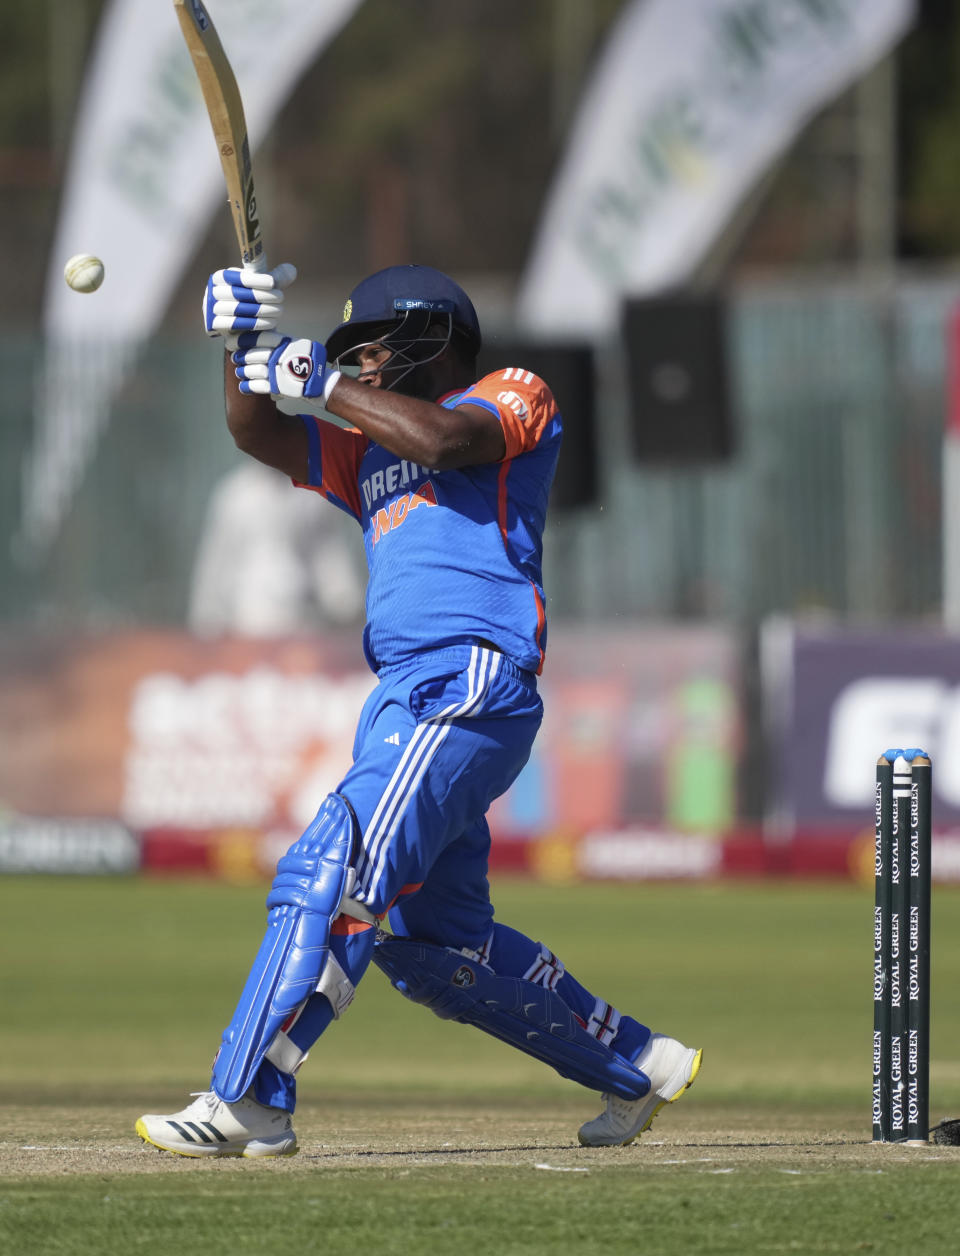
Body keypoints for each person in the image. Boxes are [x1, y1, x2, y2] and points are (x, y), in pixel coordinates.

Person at [135, 261, 701, 1158]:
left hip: (468, 680)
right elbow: (258, 431)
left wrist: (320, 380)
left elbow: (444, 442)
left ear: (431, 335)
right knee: (435, 948)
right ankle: (638, 1063)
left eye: (371, 350)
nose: (356, 366)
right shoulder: (364, 454)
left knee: (337, 863)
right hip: (403, 694)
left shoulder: (514, 394)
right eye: (346, 356)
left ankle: (250, 1098)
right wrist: (238, 343)